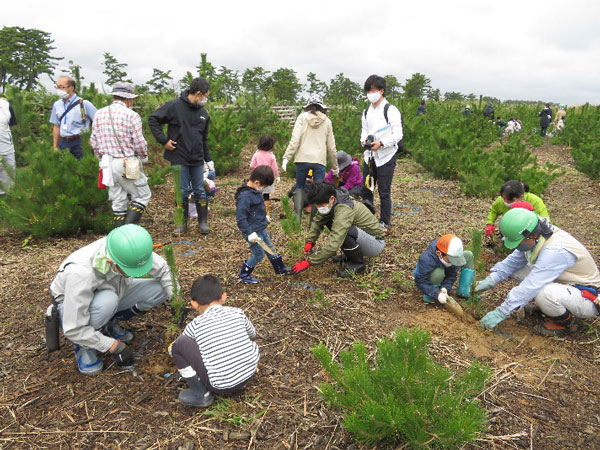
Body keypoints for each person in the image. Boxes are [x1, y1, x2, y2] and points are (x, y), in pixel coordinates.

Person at [48, 224, 174, 375]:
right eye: (128, 271)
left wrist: (176, 300)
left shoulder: (131, 249)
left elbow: (164, 270)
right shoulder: (81, 273)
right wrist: (114, 346)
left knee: (159, 290)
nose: (133, 274)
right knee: (107, 301)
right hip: (72, 306)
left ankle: (108, 323)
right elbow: (74, 328)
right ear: (110, 261)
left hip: (114, 292)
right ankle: (84, 346)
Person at [476, 208, 600, 336]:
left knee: (543, 293)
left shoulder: (555, 250)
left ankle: (567, 324)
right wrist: (491, 279)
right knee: (518, 270)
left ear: (532, 235)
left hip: (586, 296)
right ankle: (548, 307)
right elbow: (512, 262)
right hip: (565, 283)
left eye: (518, 242)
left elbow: (532, 284)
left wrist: (502, 311)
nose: (517, 247)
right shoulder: (537, 235)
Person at [169, 275, 259, 407]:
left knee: (179, 345)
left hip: (221, 385)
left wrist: (172, 349)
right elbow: (253, 334)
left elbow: (176, 349)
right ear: (224, 297)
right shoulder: (238, 313)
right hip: (249, 373)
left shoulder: (195, 325)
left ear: (194, 304)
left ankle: (200, 394)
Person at [148, 77, 212, 234]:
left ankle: (202, 222)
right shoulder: (174, 106)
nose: (206, 100)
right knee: (181, 190)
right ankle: (181, 224)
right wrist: (163, 140)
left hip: (197, 158)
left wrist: (208, 159)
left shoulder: (204, 114)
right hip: (179, 156)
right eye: (206, 96)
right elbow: (153, 119)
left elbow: (204, 139)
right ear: (198, 94)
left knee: (199, 190)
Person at [291, 181, 385, 278]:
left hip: (375, 243)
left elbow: (333, 246)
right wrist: (310, 241)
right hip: (362, 236)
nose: (319, 208)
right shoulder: (332, 200)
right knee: (328, 220)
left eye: (320, 205)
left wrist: (308, 262)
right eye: (317, 205)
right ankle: (350, 255)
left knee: (344, 230)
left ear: (331, 199)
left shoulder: (343, 209)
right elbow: (317, 222)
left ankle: (358, 264)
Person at [90, 82, 150, 227]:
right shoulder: (132, 115)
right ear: (129, 99)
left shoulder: (99, 114)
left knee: (118, 200)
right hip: (128, 161)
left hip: (107, 163)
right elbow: (139, 142)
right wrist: (143, 156)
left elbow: (94, 141)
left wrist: (102, 159)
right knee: (142, 195)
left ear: (114, 96)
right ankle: (128, 231)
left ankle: (118, 236)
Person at [282, 94, 338, 221]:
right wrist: (335, 167)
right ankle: (314, 221)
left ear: (309, 106)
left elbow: (295, 139)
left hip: (302, 159)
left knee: (299, 187)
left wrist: (287, 157)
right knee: (318, 190)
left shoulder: (302, 118)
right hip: (319, 161)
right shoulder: (327, 121)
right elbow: (331, 147)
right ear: (321, 106)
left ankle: (297, 218)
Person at [360, 75, 403, 233]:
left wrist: (382, 144)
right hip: (370, 157)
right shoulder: (366, 112)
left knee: (384, 191)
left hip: (385, 156)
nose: (370, 94)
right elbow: (364, 131)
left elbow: (398, 134)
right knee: (367, 189)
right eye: (368, 91)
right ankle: (367, 219)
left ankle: (384, 222)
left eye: (372, 90)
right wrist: (364, 141)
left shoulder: (390, 110)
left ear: (381, 91)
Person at [235, 165, 290, 283]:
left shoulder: (255, 191)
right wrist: (249, 233)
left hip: (261, 227)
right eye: (263, 186)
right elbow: (241, 218)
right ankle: (244, 275)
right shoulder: (245, 197)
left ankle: (280, 268)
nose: (263, 189)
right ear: (256, 182)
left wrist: (264, 216)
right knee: (259, 254)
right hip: (253, 232)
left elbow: (256, 209)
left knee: (270, 248)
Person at [414, 234, 475, 303]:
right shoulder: (427, 259)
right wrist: (437, 294)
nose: (453, 262)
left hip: (443, 273)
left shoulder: (452, 256)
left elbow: (452, 275)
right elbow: (420, 281)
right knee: (438, 273)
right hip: (427, 279)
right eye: (450, 260)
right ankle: (430, 296)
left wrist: (445, 287)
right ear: (439, 253)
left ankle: (464, 291)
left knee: (468, 255)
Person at [49, 76, 96, 160]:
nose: (59, 89)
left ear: (71, 88)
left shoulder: (84, 104)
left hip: (80, 142)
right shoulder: (57, 105)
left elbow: (98, 122)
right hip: (63, 142)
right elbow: (56, 126)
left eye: (61, 87)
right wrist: (55, 146)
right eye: (57, 87)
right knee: (64, 169)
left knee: (81, 170)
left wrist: (92, 139)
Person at [485, 180, 550, 238]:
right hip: (511, 226)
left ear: (521, 197)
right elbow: (494, 210)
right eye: (503, 198)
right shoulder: (500, 201)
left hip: (530, 228)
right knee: (502, 222)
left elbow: (544, 221)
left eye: (509, 200)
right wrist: (490, 223)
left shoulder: (535, 201)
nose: (505, 202)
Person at [250, 134, 279, 220]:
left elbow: (252, 165)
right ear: (271, 145)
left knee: (257, 194)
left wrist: (255, 171)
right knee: (266, 196)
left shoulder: (256, 154)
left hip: (258, 177)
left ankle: (257, 212)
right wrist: (277, 176)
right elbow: (275, 168)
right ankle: (266, 214)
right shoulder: (271, 156)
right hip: (268, 178)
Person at [0, 95, 17, 195]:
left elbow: (11, 126)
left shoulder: (6, 105)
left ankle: (8, 198)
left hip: (6, 148)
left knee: (9, 177)